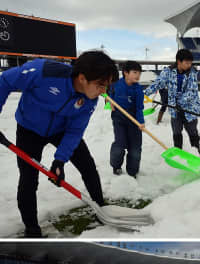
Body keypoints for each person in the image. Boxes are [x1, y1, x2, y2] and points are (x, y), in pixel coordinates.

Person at [0, 51, 119, 238]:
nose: (103, 91)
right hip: (29, 128)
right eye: (100, 85)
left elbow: (74, 131)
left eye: (107, 86)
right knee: (28, 179)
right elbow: (5, 81)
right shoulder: (43, 71)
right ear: (82, 78)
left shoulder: (89, 100)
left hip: (62, 129)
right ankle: (32, 229)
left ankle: (100, 206)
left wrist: (59, 161)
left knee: (87, 164)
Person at [144, 49, 200, 156]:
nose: (189, 65)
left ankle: (197, 154)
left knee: (193, 132)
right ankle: (178, 154)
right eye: (187, 63)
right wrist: (145, 93)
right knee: (176, 132)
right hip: (175, 110)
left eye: (190, 63)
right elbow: (158, 83)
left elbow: (191, 92)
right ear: (179, 62)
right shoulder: (168, 72)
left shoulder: (192, 73)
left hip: (190, 108)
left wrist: (179, 103)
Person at [109, 60, 145, 178]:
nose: (138, 75)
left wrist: (141, 122)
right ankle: (116, 166)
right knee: (120, 145)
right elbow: (108, 92)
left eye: (139, 73)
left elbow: (139, 108)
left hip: (133, 119)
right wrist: (110, 101)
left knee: (135, 149)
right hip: (119, 118)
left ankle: (132, 172)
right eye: (135, 72)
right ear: (125, 73)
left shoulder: (138, 90)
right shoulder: (115, 84)